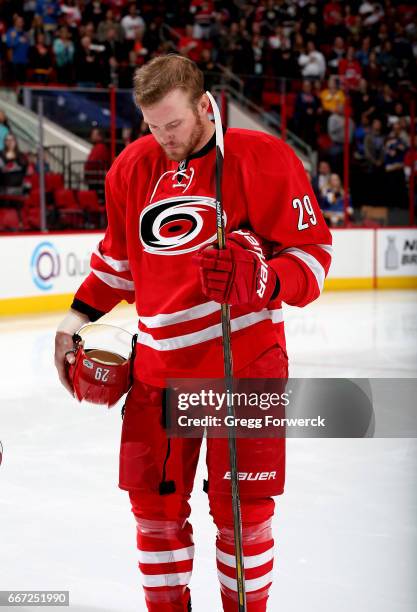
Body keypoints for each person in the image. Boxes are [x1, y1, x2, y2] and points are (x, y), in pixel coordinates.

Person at [54, 54, 332, 612]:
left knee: (243, 512)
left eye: (173, 124)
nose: (163, 137)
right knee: (152, 514)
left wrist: (264, 277)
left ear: (205, 106)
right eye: (152, 126)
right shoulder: (132, 168)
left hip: (245, 369)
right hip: (158, 374)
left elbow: (314, 259)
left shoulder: (264, 159)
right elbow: (118, 264)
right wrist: (73, 321)